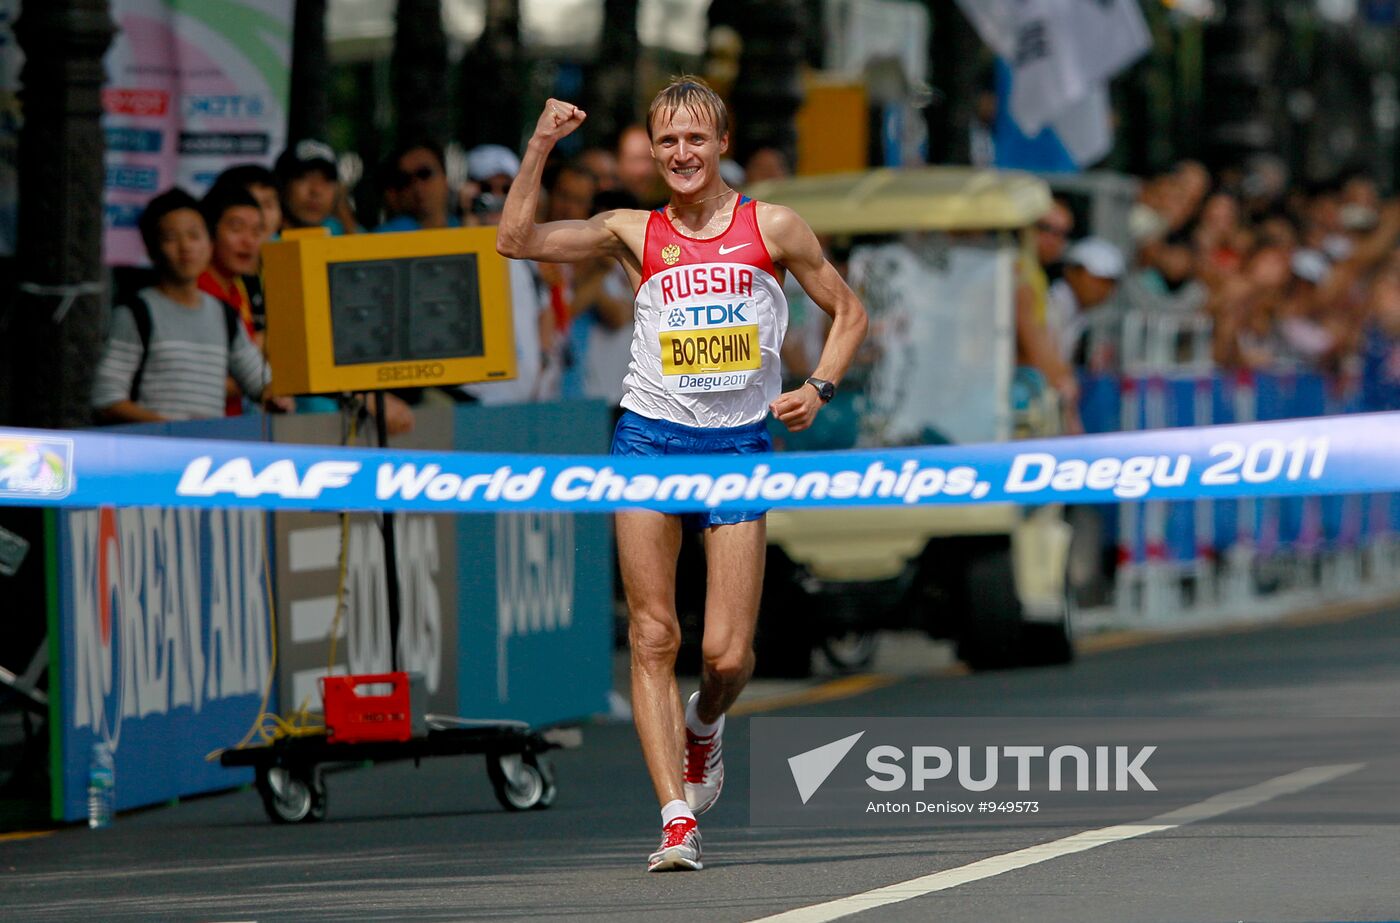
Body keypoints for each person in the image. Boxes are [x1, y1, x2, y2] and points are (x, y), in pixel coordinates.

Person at [497, 76, 868, 872]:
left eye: (696, 138)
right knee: (653, 632)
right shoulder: (632, 230)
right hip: (648, 443)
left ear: (722, 143)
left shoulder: (773, 225)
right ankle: (674, 818)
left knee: (729, 655)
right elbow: (516, 240)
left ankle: (705, 724)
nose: (681, 153)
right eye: (667, 140)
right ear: (652, 150)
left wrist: (819, 385)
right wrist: (541, 143)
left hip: (737, 449)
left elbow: (849, 311)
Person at [92, 188, 279, 422]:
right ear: (151, 250)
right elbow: (105, 398)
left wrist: (276, 396)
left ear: (210, 244)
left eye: (194, 235)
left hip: (206, 454)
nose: (186, 247)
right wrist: (173, 434)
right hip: (155, 453)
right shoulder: (136, 313)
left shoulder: (225, 315)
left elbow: (261, 382)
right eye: (171, 238)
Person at [197, 185, 265, 414]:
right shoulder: (196, 292)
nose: (249, 242)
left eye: (257, 231)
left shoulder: (237, 289)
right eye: (237, 229)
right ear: (209, 232)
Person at [375, 140, 460, 232]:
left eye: (424, 174)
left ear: (445, 178)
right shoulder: (387, 235)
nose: (417, 186)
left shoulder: (465, 227)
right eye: (406, 180)